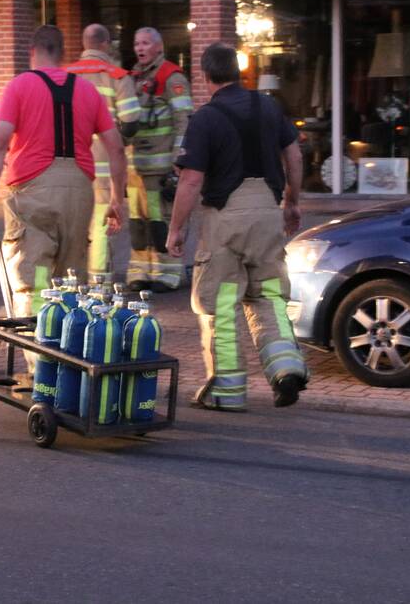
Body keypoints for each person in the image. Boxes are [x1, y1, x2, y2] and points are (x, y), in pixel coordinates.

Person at [166, 42, 309, 411]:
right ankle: (286, 368)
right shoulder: (269, 106)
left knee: (222, 304)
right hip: (267, 212)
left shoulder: (206, 118)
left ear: (206, 75)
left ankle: (226, 392)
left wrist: (176, 228)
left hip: (225, 219)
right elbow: (294, 154)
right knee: (268, 296)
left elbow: (192, 181)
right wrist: (292, 202)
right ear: (238, 71)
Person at [0, 25, 127, 321]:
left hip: (34, 193)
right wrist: (116, 200)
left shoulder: (19, 86)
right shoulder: (87, 90)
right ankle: (66, 358)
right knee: (71, 283)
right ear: (62, 54)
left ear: (32, 52)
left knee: (34, 280)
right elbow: (116, 149)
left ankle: (39, 361)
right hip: (79, 192)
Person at [65, 23, 141, 279]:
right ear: (106, 44)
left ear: (84, 45)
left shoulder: (65, 75)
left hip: (69, 166)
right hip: (105, 166)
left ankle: (71, 282)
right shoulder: (117, 76)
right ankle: (98, 285)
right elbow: (130, 122)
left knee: (73, 225)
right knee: (100, 225)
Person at [128, 26, 193, 292]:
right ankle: (140, 272)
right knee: (138, 224)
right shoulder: (133, 77)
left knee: (161, 222)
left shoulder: (171, 77)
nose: (140, 48)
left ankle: (169, 273)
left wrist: (179, 161)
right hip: (137, 168)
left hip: (161, 168)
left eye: (145, 43)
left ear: (158, 47)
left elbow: (184, 121)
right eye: (136, 43)